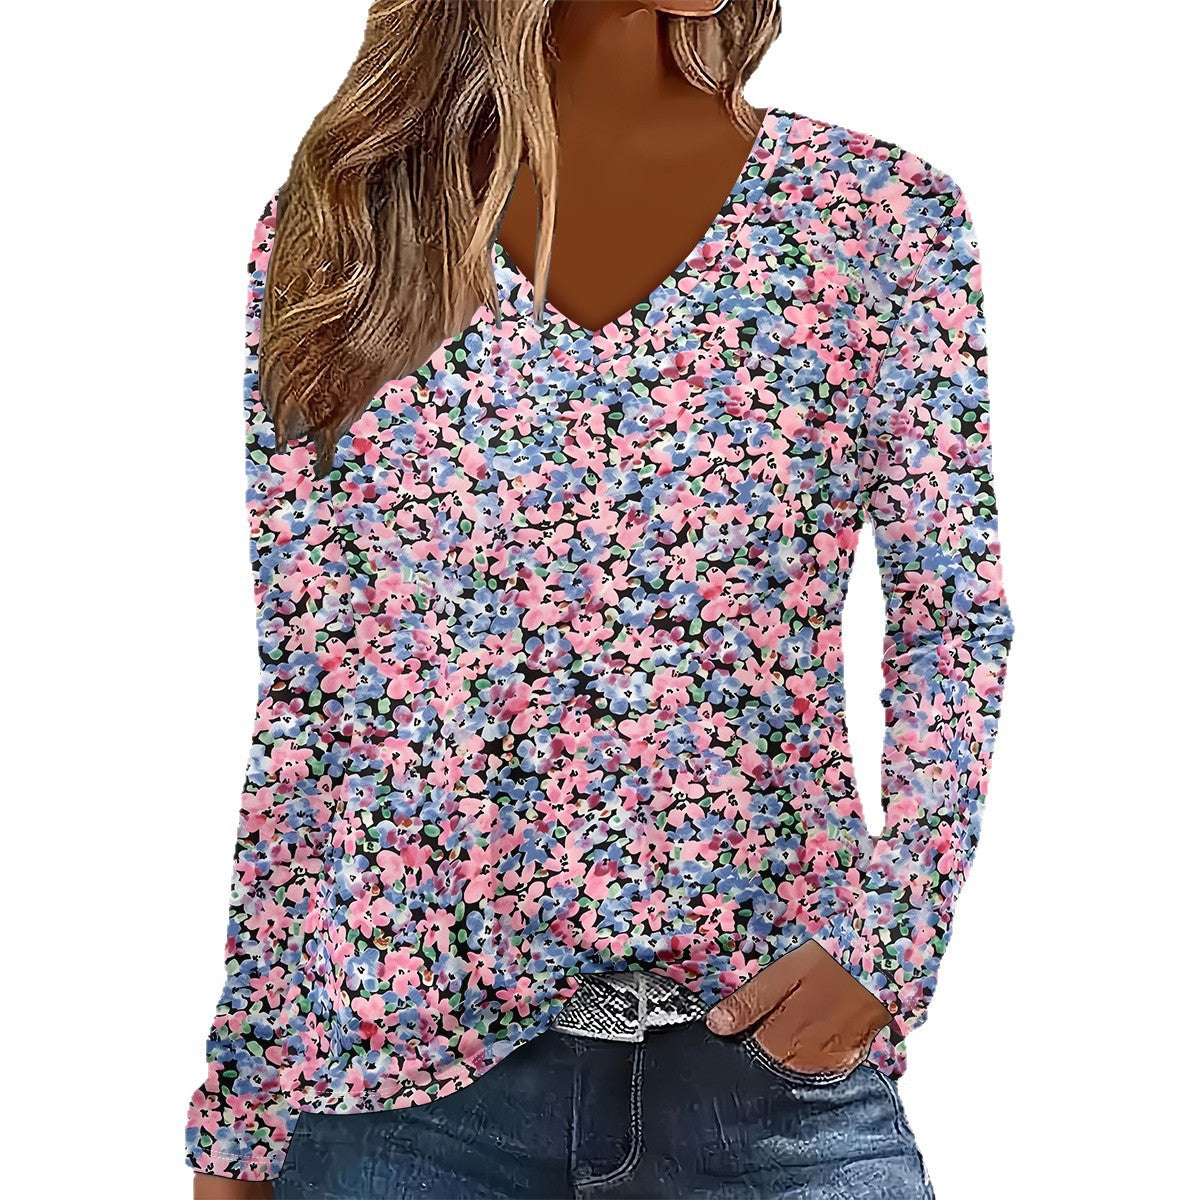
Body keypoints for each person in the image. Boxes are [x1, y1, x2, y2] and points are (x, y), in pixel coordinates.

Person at [185, 2, 1014, 1197]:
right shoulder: (350, 231)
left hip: (767, 1071)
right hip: (403, 1094)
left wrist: (889, 943)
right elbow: (315, 699)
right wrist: (245, 1108)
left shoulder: (873, 217)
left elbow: (953, 623)